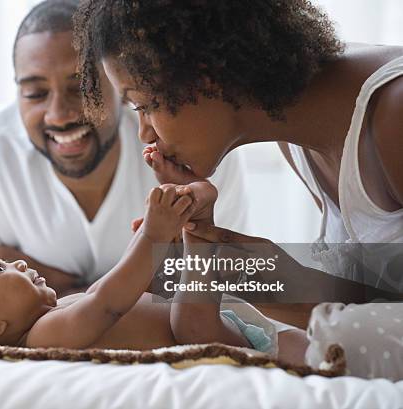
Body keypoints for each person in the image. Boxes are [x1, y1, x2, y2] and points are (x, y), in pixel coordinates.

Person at [73, 0, 403, 378]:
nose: (145, 133)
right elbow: (372, 293)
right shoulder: (295, 130)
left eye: (145, 105)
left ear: (206, 73)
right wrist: (264, 273)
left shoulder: (395, 114)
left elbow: (358, 319)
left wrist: (302, 292)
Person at [0, 0, 249, 296]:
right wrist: (152, 273)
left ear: (120, 83)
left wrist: (28, 275)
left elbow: (242, 281)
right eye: (35, 93)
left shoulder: (193, 147)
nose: (59, 114)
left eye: (82, 87)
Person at [0, 186, 308, 365]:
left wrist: (143, 254)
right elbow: (106, 302)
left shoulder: (54, 314)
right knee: (193, 325)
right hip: (201, 334)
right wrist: (151, 235)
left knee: (316, 344)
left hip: (221, 322)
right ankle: (196, 242)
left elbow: (105, 289)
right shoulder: (42, 339)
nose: (17, 264)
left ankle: (194, 241)